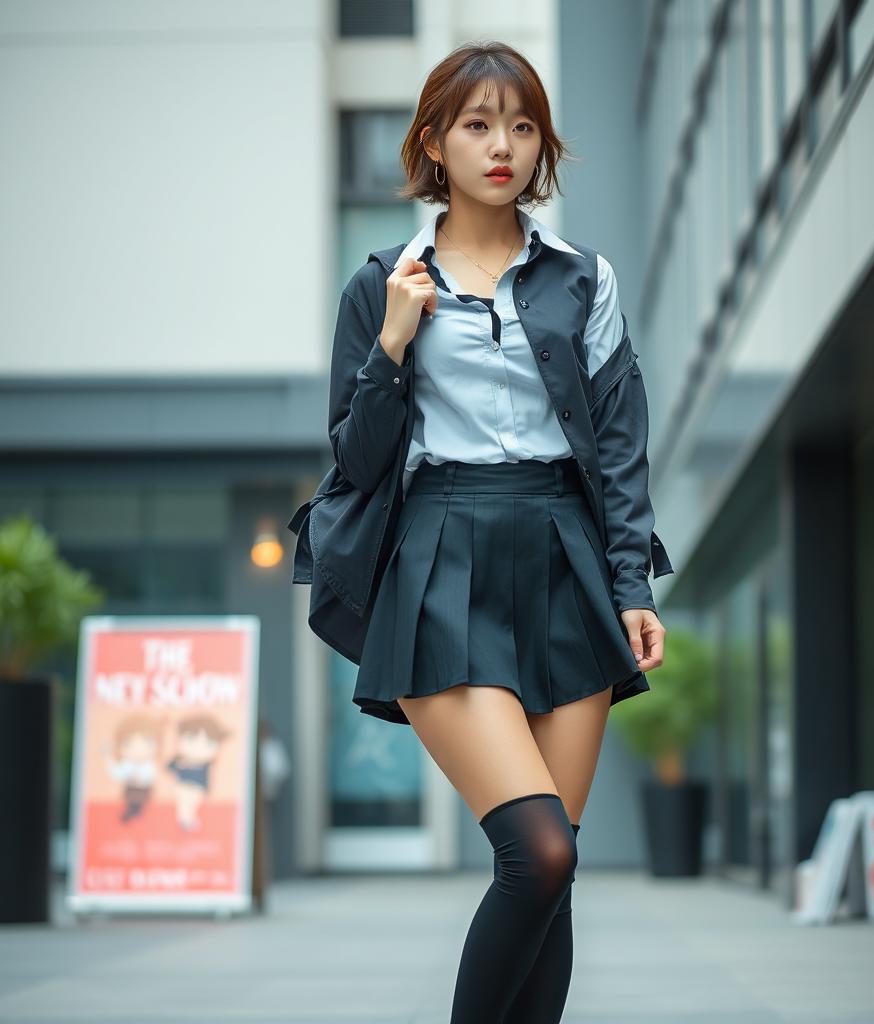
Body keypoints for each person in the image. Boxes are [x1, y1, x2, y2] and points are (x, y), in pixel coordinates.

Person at [324, 41, 669, 1023]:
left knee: (554, 876)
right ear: (434, 140)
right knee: (540, 849)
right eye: (477, 124)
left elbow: (617, 443)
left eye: (520, 124)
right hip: (441, 554)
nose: (501, 145)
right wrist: (392, 342)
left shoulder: (581, 278)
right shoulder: (383, 280)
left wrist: (632, 584)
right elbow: (354, 459)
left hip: (565, 551)